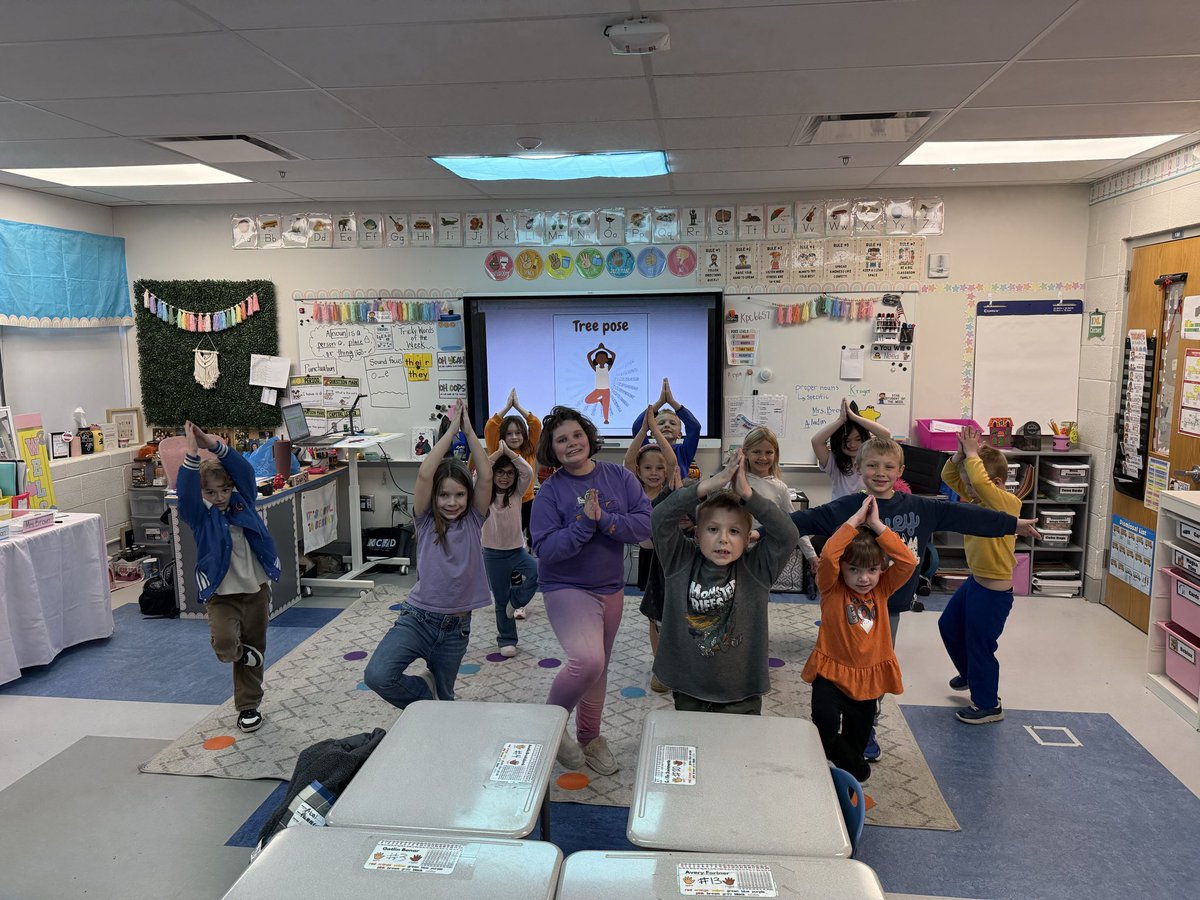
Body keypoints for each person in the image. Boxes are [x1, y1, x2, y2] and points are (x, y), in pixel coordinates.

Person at [788, 435, 1038, 760]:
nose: (880, 472)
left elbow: (967, 517)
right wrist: (760, 531)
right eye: (873, 466)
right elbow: (804, 520)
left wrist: (1013, 524)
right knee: (842, 662)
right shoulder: (849, 507)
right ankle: (836, 722)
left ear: (900, 470)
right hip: (846, 602)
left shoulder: (919, 507)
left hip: (888, 606)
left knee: (871, 668)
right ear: (860, 469)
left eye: (888, 466)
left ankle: (865, 731)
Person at [531, 406, 651, 775]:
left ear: (589, 436)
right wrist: (585, 524)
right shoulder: (550, 492)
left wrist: (606, 521)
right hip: (565, 587)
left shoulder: (619, 476)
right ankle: (551, 724)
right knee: (588, 660)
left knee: (599, 670)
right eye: (561, 440)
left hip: (611, 589)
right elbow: (545, 549)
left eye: (576, 435)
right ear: (553, 449)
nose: (571, 444)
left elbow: (644, 527)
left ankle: (590, 736)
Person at [363, 401, 492, 708]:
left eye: (459, 494)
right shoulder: (424, 519)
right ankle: (424, 695)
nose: (452, 502)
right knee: (378, 675)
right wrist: (449, 434)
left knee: (446, 702)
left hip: (456, 628)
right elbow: (424, 474)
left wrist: (470, 432)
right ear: (433, 496)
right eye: (444, 495)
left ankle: (433, 704)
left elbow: (485, 475)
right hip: (418, 618)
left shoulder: (474, 519)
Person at [652, 450, 799, 714]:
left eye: (734, 531)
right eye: (712, 529)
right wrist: (710, 484)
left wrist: (748, 495)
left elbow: (788, 534)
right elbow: (659, 518)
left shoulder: (756, 569)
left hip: (741, 692)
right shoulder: (680, 560)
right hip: (688, 686)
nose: (723, 539)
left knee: (739, 753)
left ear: (747, 537)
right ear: (696, 534)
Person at [176, 421, 282, 734]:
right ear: (202, 494)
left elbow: (245, 473)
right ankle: (241, 655)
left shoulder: (243, 502)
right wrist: (192, 454)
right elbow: (186, 493)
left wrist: (214, 444)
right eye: (211, 492)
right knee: (225, 646)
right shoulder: (199, 516)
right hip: (222, 595)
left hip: (255, 591)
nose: (220, 496)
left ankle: (248, 706)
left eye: (224, 489)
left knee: (255, 645)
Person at [802, 495, 916, 782]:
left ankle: (845, 782)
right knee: (824, 729)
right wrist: (853, 522)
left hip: (868, 680)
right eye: (854, 569)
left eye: (871, 570)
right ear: (843, 569)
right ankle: (857, 770)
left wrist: (877, 525)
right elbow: (829, 556)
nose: (863, 578)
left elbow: (907, 561)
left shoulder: (882, 589)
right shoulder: (832, 587)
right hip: (830, 672)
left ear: (880, 570)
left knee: (857, 740)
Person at [937, 426, 1022, 725]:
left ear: (995, 482)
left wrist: (974, 455)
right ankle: (971, 674)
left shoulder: (1006, 504)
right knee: (948, 626)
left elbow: (982, 486)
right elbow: (949, 478)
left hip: (993, 593)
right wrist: (961, 455)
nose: (966, 489)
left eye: (971, 483)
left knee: (980, 645)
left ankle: (988, 705)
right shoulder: (976, 501)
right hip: (975, 583)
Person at [624, 404, 681, 693]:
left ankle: (677, 662)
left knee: (674, 613)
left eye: (659, 468)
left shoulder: (670, 490)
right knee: (653, 615)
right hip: (649, 558)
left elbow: (671, 461)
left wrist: (656, 431)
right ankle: (660, 666)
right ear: (639, 471)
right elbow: (627, 461)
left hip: (671, 559)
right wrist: (643, 432)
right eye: (648, 468)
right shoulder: (634, 490)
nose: (655, 472)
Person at [481, 443, 538, 657]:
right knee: (500, 599)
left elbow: (528, 471)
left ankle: (516, 602)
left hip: (517, 551)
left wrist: (511, 454)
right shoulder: (483, 494)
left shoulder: (517, 494)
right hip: (493, 554)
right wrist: (497, 454)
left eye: (510, 474)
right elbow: (480, 471)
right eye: (500, 473)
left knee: (536, 573)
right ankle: (506, 639)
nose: (505, 477)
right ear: (493, 474)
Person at [484, 388, 542, 549]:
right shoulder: (498, 448)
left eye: (518, 433)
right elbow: (490, 427)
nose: (514, 437)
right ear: (503, 436)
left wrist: (518, 407)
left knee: (532, 538)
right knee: (509, 539)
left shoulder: (529, 449)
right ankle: (512, 570)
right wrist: (506, 408)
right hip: (505, 503)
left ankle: (529, 562)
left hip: (527, 501)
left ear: (524, 435)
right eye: (509, 434)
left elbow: (536, 425)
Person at [810, 398, 893, 499]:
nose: (852, 445)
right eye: (847, 440)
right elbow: (816, 441)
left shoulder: (871, 460)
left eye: (858, 439)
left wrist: (855, 418)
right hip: (840, 513)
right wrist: (841, 420)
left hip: (867, 512)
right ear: (839, 442)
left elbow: (886, 435)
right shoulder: (834, 462)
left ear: (865, 440)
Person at [630, 377, 702, 477]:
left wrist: (672, 402)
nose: (667, 425)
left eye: (672, 423)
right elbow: (637, 427)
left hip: (677, 492)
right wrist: (659, 403)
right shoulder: (647, 449)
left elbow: (694, 428)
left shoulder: (683, 452)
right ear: (652, 433)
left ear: (680, 434)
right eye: (661, 423)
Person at [741, 426, 792, 518]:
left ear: (775, 455)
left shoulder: (780, 488)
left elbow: (790, 522)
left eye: (768, 452)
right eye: (756, 452)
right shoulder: (736, 483)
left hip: (768, 533)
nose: (763, 458)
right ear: (745, 453)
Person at [584, 343, 616, 424]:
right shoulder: (596, 368)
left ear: (606, 359)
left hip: (606, 390)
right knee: (588, 399)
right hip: (598, 389)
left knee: (606, 406)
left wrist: (604, 348)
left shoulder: (607, 368)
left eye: (603, 358)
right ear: (596, 360)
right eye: (599, 358)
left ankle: (606, 419)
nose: (601, 359)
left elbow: (613, 355)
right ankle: (600, 400)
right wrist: (597, 349)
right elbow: (588, 356)